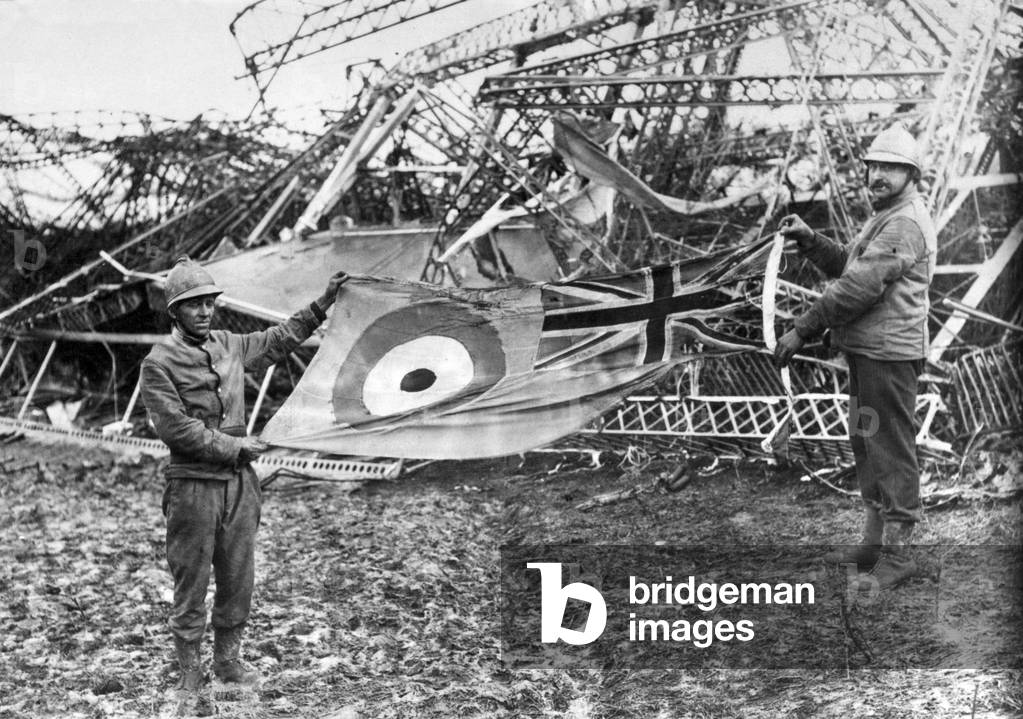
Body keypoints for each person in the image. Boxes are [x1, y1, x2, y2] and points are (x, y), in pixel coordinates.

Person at [140, 257, 348, 699]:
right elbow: (176, 429)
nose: (204, 311)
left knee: (239, 576)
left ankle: (228, 662)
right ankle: (190, 672)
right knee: (191, 580)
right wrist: (237, 446)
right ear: (174, 311)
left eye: (209, 303)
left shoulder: (230, 344)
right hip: (192, 487)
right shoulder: (157, 364)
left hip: (239, 487)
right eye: (193, 305)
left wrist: (324, 303)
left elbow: (278, 340)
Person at [774, 123, 936, 589]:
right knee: (867, 442)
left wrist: (803, 329)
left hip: (889, 356)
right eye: (875, 166)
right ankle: (872, 543)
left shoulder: (904, 221)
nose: (879, 175)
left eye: (891, 167)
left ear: (912, 174)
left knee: (890, 446)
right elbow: (851, 262)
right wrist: (810, 239)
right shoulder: (887, 215)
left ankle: (900, 555)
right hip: (868, 353)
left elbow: (859, 286)